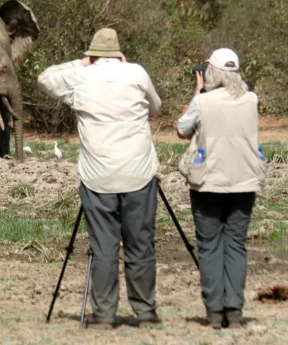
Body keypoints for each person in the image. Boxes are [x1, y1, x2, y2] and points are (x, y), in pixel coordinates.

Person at [38, 28, 162, 329]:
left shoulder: (81, 77)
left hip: (98, 178)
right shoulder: (135, 72)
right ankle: (146, 312)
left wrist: (81, 64)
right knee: (141, 244)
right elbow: (156, 107)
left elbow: (45, 78)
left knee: (104, 247)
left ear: (91, 54)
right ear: (119, 52)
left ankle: (104, 315)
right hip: (139, 173)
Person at [176, 48, 261, 330]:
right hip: (244, 182)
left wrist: (197, 93)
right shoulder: (252, 100)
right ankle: (234, 311)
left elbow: (182, 129)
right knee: (236, 244)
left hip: (208, 183)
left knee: (210, 246)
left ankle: (214, 312)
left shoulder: (204, 102)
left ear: (211, 72)